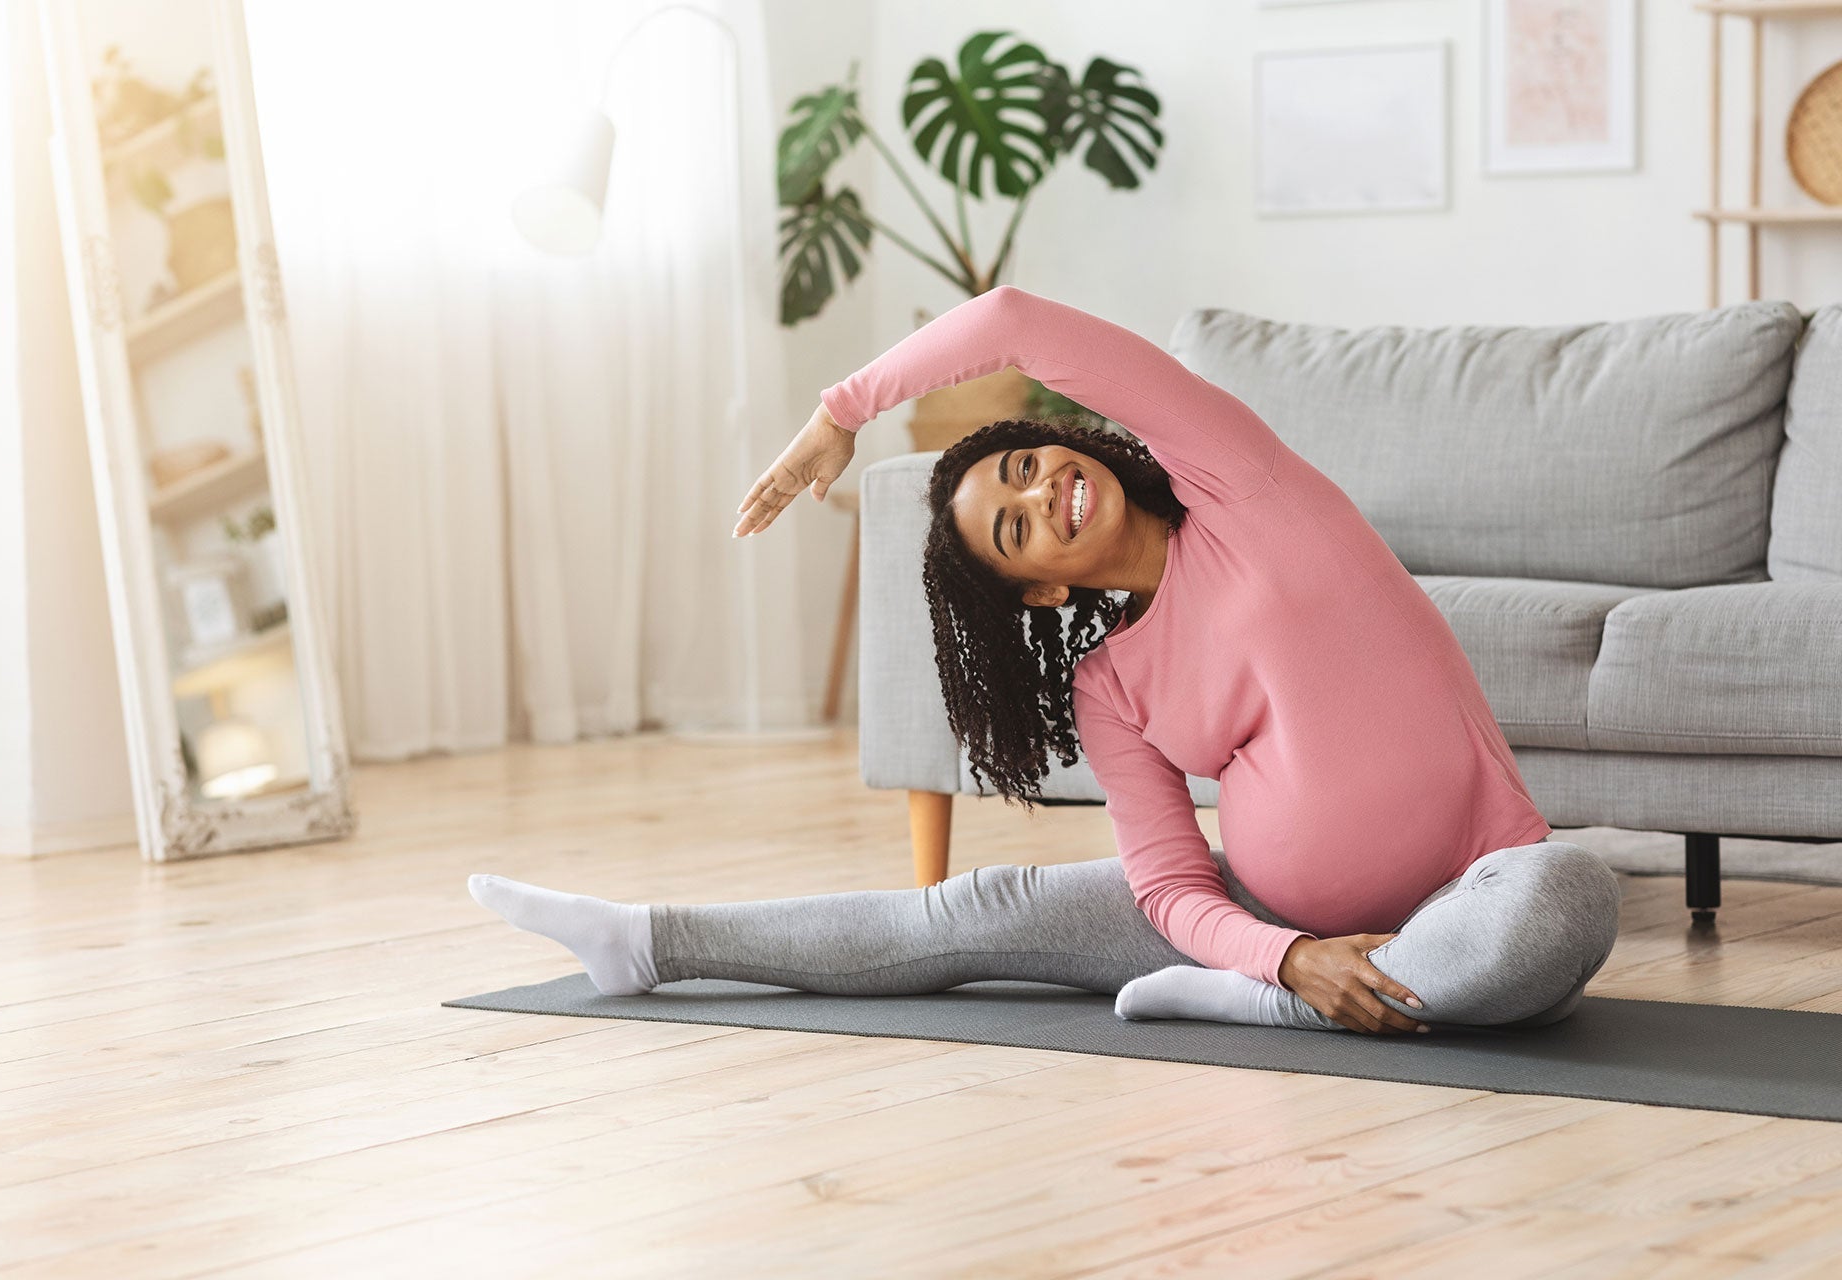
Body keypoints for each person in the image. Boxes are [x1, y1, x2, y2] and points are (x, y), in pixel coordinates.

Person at [468, 286, 1621, 1035]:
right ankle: (645, 938)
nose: (1040, 491)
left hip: (1478, 882)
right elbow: (1171, 887)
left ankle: (1271, 1002)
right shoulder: (1107, 680)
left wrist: (845, 407)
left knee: (1572, 901)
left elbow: (1015, 316)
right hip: (1251, 911)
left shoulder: (1242, 488)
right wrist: (1281, 944)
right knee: (970, 910)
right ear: (1043, 588)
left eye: (1024, 466)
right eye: (1015, 526)